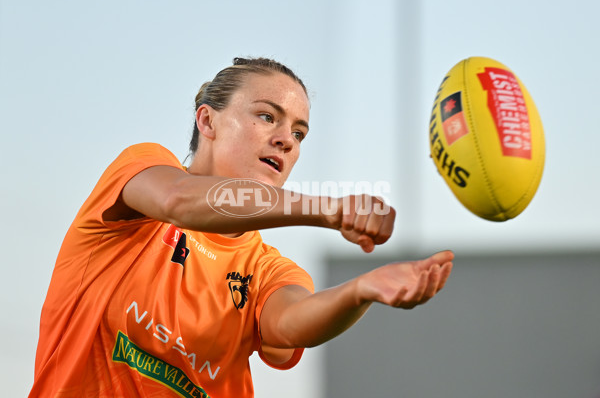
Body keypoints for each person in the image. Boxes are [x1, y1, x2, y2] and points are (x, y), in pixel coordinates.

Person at [30, 57, 453, 397]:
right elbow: (178, 201)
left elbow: (288, 325)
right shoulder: (143, 171)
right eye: (268, 117)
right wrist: (328, 210)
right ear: (207, 122)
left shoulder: (269, 269)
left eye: (300, 132)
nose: (287, 139)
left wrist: (359, 292)